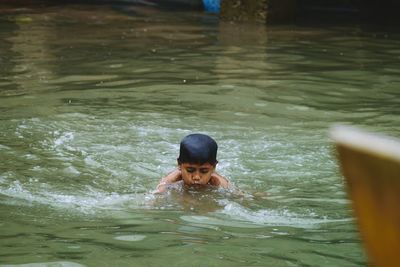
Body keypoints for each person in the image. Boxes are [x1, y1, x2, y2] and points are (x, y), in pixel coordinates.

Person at [155, 133, 230, 193]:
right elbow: (156, 196)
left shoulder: (218, 181)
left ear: (214, 167)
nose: (196, 177)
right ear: (179, 165)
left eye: (204, 171)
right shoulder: (172, 179)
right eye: (190, 170)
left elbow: (238, 197)